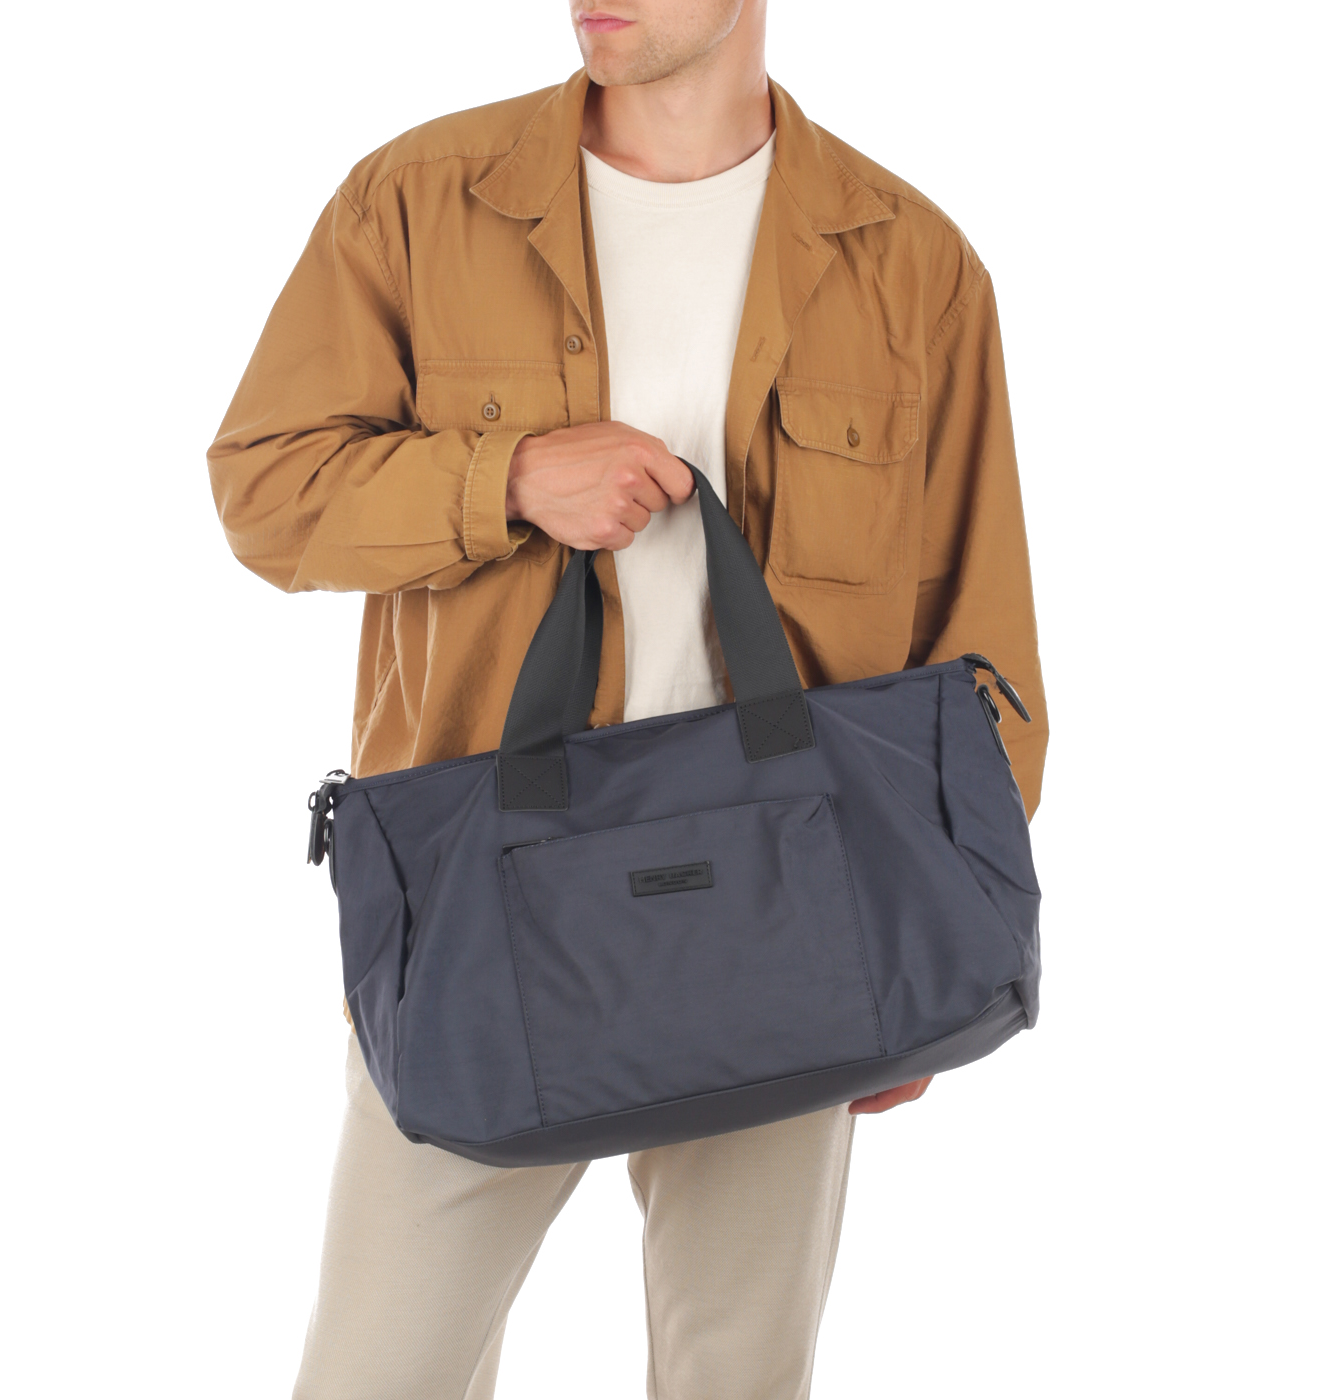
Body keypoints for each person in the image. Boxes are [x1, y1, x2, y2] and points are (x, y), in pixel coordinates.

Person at [208, 1, 1048, 1394]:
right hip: (483, 908)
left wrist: (935, 930)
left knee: (739, 1376)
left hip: (795, 910)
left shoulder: (909, 260)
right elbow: (265, 489)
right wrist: (505, 478)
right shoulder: (419, 201)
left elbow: (981, 632)